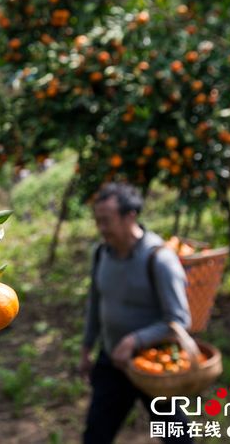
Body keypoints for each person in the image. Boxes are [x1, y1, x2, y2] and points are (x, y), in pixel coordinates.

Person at [80, 182, 194, 444]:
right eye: (98, 221)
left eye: (106, 220)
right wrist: (87, 348)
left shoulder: (159, 259)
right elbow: (96, 304)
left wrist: (135, 341)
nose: (101, 228)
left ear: (130, 215)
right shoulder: (101, 254)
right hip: (112, 362)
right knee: (96, 434)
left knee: (176, 436)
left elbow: (179, 320)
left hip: (153, 364)